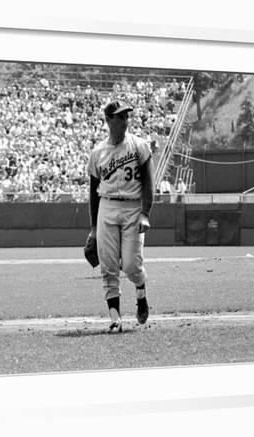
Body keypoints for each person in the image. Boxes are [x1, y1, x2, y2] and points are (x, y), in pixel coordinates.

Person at [87, 100, 154, 333]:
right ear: (108, 120)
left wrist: (145, 213)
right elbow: (93, 192)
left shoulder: (139, 146)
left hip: (133, 208)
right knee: (107, 266)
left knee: (132, 266)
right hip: (107, 206)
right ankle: (115, 317)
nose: (125, 120)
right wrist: (94, 228)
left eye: (126, 116)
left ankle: (141, 292)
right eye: (119, 116)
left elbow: (148, 182)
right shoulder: (98, 153)